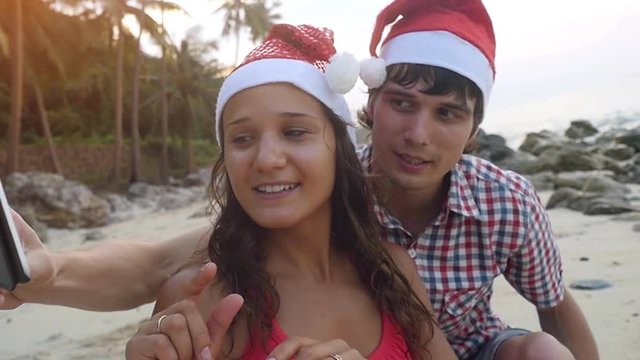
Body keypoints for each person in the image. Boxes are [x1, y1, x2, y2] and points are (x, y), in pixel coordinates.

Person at [1, 1, 599, 359]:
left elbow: (554, 304)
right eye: (402, 104)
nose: (418, 133)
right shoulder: (324, 193)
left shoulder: (499, 205)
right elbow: (159, 261)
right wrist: (40, 275)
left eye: (447, 114)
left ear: (473, 129)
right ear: (367, 110)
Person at [124, 23, 456, 360]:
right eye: (242, 139)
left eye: (294, 132)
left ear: (340, 151)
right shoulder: (201, 298)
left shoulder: (391, 270)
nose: (266, 160)